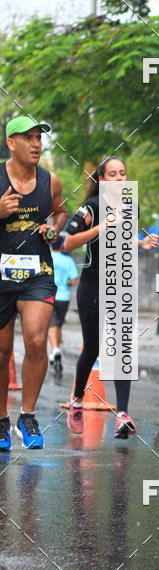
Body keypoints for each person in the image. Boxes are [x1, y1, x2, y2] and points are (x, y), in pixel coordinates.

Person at [63, 156, 159, 438]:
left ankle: (123, 415)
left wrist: (141, 243)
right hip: (92, 286)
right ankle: (78, 401)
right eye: (113, 175)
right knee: (92, 348)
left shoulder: (131, 206)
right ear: (102, 180)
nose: (119, 179)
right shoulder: (91, 207)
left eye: (123, 174)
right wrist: (100, 228)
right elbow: (68, 241)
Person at [0, 116, 67, 450]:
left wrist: (53, 228)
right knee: (1, 352)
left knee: (37, 341)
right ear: (11, 143)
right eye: (28, 138)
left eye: (39, 137)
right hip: (0, 276)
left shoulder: (50, 180)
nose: (36, 144)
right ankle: (1, 421)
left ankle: (27, 415)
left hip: (37, 274)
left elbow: (60, 212)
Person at [48, 236, 78, 376]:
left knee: (51, 324)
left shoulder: (47, 257)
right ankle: (55, 350)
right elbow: (73, 281)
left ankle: (55, 350)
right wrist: (64, 282)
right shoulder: (68, 261)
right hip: (64, 297)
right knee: (58, 324)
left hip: (48, 294)